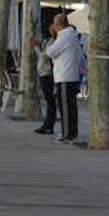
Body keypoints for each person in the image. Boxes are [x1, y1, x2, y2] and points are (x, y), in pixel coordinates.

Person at [45, 14, 82, 143]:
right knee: (70, 106)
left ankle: (67, 133)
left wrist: (53, 36)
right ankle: (71, 131)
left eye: (55, 24)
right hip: (70, 75)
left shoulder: (65, 36)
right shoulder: (71, 35)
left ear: (58, 25)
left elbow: (50, 52)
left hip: (65, 76)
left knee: (65, 107)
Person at [30, 19, 58, 135]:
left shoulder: (53, 42)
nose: (50, 30)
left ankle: (49, 125)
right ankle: (47, 124)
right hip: (43, 72)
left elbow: (44, 56)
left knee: (50, 100)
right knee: (48, 100)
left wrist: (35, 47)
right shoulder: (47, 41)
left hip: (48, 73)